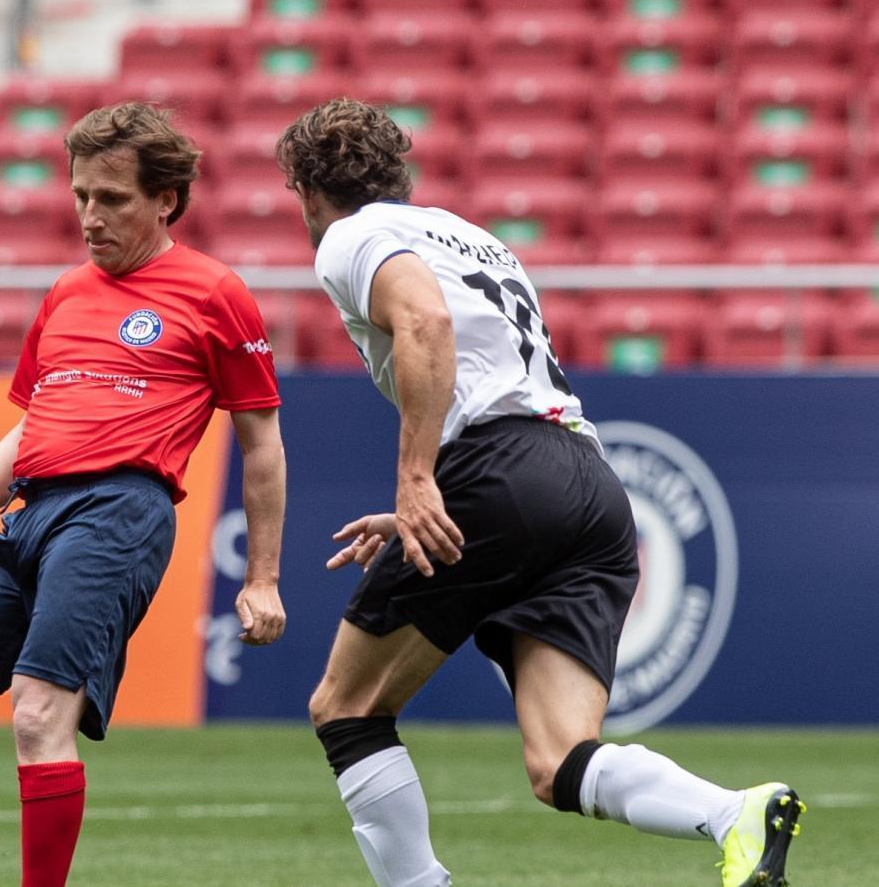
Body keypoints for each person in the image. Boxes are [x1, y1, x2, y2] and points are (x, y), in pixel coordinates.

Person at [275, 97, 803, 887]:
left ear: (307, 191)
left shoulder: (351, 235)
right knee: (560, 761)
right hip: (586, 485)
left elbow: (426, 324)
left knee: (346, 707)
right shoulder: (470, 235)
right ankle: (737, 813)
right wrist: (433, 491)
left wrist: (420, 479)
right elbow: (496, 378)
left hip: (499, 470)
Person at [0, 102, 288, 887]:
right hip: (26, 517)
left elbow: (261, 445)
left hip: (119, 513)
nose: (90, 216)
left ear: (165, 200)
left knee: (39, 714)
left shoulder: (216, 293)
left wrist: (261, 577)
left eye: (111, 199)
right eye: (81, 195)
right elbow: (33, 422)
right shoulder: (65, 293)